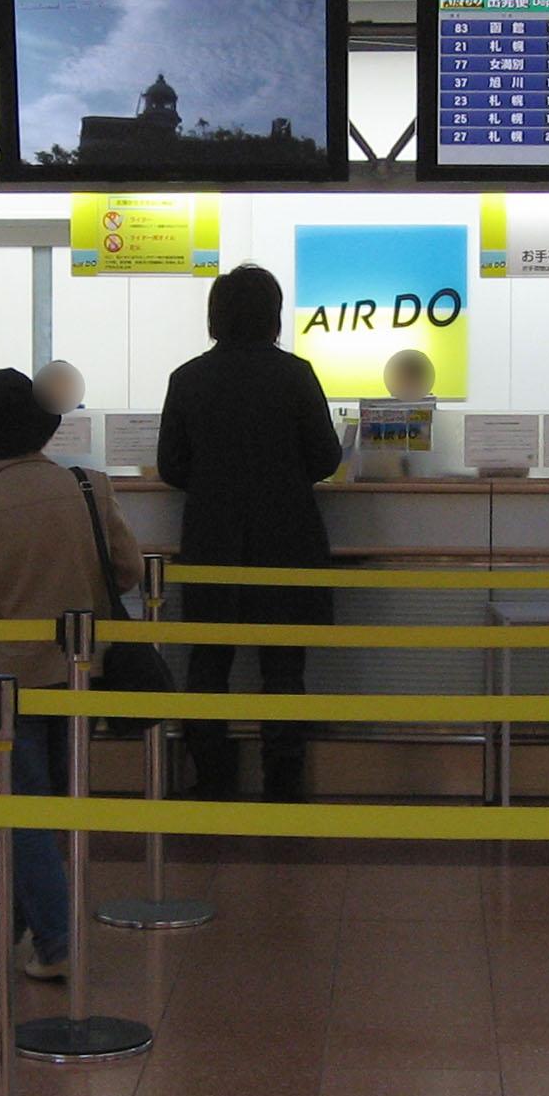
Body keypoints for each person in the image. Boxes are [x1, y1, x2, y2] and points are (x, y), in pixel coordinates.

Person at [0, 368, 143, 980]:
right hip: (76, 673)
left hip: (0, 683)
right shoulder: (88, 487)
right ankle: (4, 921)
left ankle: (56, 942)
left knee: (22, 809)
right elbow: (124, 572)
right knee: (46, 810)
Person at [157, 263, 343, 801]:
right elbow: (325, 457)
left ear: (215, 316)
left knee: (209, 661)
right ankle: (283, 780)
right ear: (274, 317)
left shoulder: (187, 378)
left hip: (212, 538)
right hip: (288, 538)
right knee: (283, 664)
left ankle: (212, 776)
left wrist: (216, 483)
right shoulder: (296, 374)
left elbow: (170, 465)